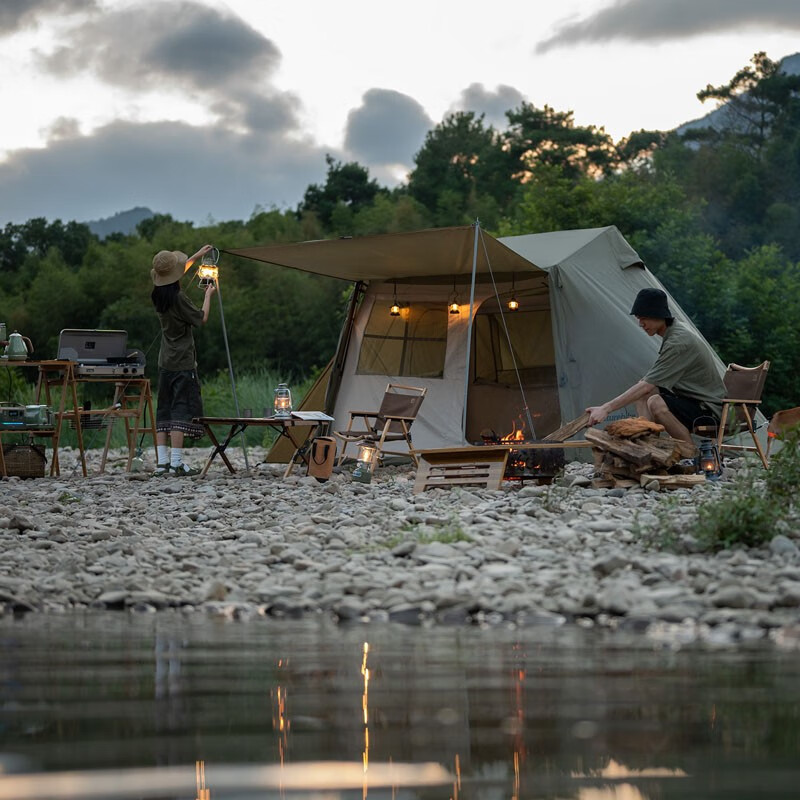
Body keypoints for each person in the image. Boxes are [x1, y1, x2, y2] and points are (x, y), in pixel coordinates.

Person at [585, 287, 725, 445]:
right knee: (644, 394)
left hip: (709, 409)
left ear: (659, 315)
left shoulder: (678, 342)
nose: (641, 324)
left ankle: (688, 456)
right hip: (692, 400)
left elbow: (647, 385)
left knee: (655, 402)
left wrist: (606, 408)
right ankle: (647, 445)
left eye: (644, 318)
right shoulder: (675, 330)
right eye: (639, 318)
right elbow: (645, 386)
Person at [150, 245, 216, 476]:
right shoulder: (178, 298)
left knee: (164, 409)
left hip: (164, 360)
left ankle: (162, 463)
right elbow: (201, 318)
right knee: (180, 409)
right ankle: (177, 463)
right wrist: (208, 296)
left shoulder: (158, 295)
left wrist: (196, 256)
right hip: (183, 362)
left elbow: (173, 277)